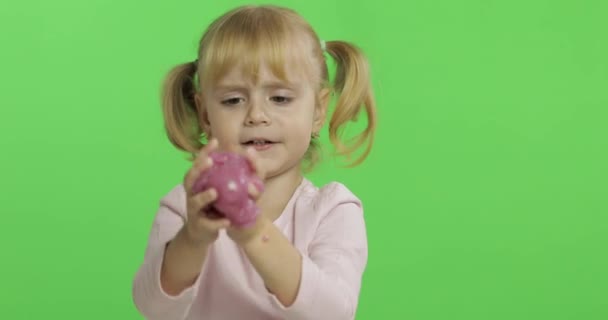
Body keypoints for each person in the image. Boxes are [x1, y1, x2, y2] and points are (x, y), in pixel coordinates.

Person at [132, 4, 377, 320]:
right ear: (206, 114)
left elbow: (333, 312)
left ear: (318, 110)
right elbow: (152, 306)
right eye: (233, 100)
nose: (257, 116)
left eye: (280, 98)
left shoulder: (332, 210)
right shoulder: (186, 206)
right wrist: (193, 238)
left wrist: (253, 230)